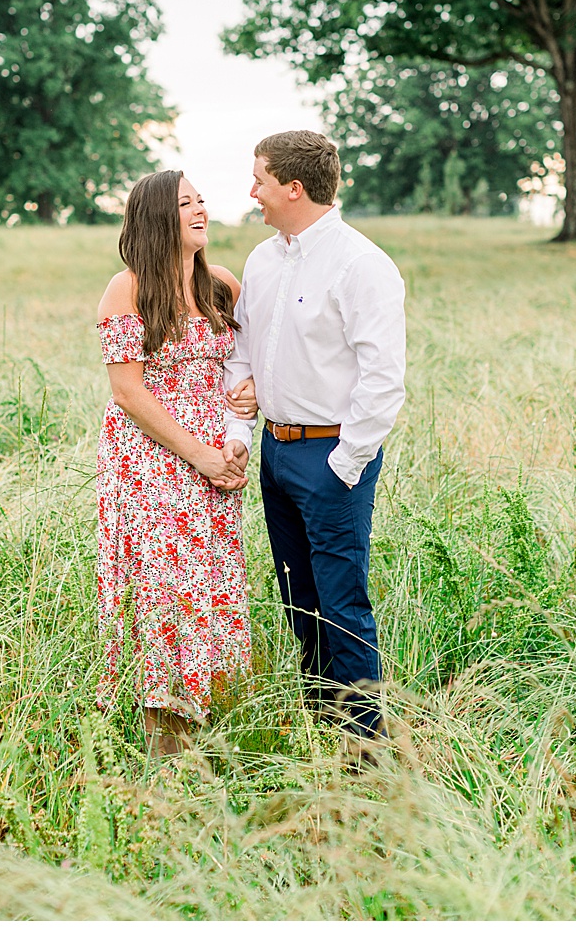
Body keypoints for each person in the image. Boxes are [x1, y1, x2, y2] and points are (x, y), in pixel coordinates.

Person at [222, 131, 406, 754]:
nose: (253, 192)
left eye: (260, 180)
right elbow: (242, 350)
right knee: (297, 594)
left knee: (341, 599)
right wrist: (243, 414)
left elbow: (383, 379)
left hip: (332, 458)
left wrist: (344, 464)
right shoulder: (262, 259)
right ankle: (317, 725)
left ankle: (363, 748)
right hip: (276, 451)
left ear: (293, 188)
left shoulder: (362, 265)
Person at [93, 170, 257, 757]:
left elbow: (245, 364)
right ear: (158, 217)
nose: (199, 209)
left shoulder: (222, 285)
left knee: (209, 588)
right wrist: (199, 455)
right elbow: (128, 393)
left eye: (201, 199)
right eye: (184, 202)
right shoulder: (128, 288)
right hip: (152, 462)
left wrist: (248, 401)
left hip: (219, 461)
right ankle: (164, 746)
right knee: (163, 592)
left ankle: (203, 731)